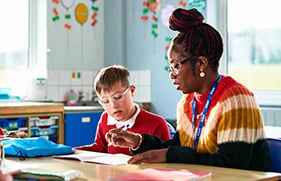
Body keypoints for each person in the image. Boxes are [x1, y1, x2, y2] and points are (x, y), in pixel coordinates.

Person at [105, 8, 272, 171]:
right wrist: (138, 142)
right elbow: (178, 147)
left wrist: (170, 155)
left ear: (201, 63)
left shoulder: (235, 99)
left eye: (175, 66)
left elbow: (231, 165)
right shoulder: (187, 102)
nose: (171, 75)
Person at [74, 65, 171, 155]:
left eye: (117, 97)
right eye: (105, 101)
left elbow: (164, 159)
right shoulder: (105, 118)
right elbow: (100, 149)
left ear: (132, 91)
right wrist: (72, 152)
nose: (113, 106)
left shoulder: (157, 124)